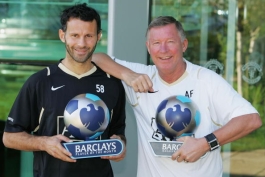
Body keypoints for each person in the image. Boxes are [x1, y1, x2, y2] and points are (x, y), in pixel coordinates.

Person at [92, 16, 262, 177]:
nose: (163, 49)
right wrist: (127, 75)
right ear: (148, 47)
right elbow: (95, 57)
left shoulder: (206, 80)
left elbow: (251, 119)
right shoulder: (140, 77)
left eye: (170, 42)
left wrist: (205, 144)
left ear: (184, 45)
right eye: (156, 43)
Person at [2, 3, 126, 177]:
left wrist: (119, 144)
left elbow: (118, 132)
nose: (81, 43)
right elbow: (9, 137)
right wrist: (44, 143)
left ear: (98, 36)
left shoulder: (112, 84)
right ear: (62, 35)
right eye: (75, 35)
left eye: (89, 35)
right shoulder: (40, 82)